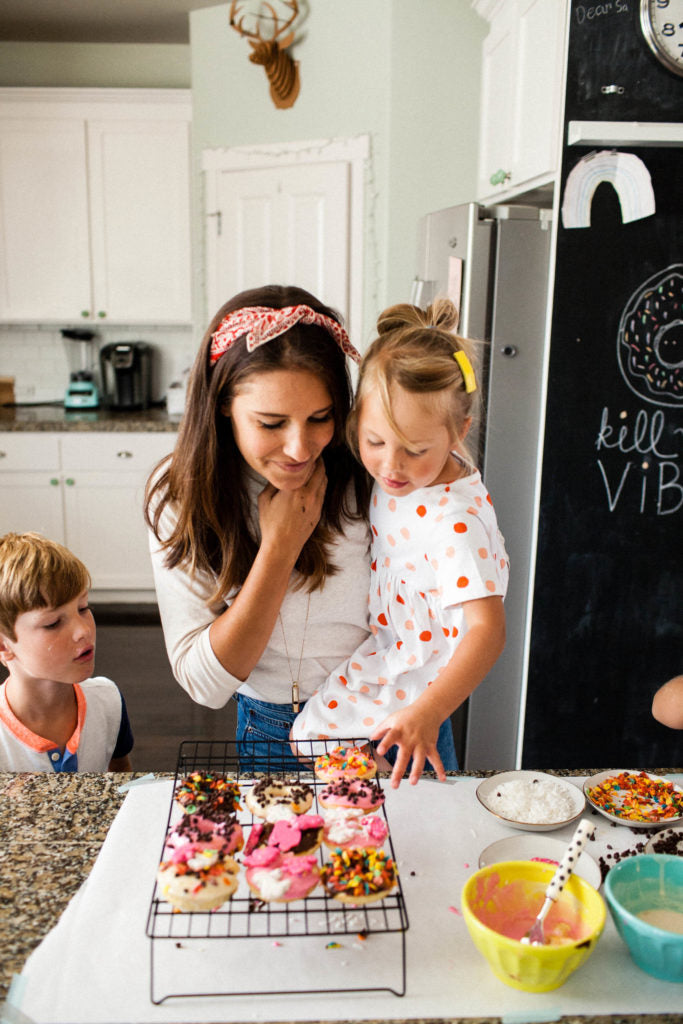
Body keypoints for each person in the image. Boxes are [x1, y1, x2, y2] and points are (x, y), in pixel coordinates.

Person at [144, 285, 374, 769]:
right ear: (224, 404)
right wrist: (280, 547)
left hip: (393, 718)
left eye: (320, 417)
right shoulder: (182, 495)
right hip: (276, 731)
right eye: (271, 423)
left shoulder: (372, 470)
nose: (299, 448)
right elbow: (204, 685)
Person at [291, 298, 509, 786]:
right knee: (315, 740)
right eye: (374, 441)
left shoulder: (454, 520)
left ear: (460, 432)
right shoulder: (402, 477)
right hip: (393, 643)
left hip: (419, 662)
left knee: (313, 737)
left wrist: (429, 711)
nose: (391, 466)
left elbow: (488, 631)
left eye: (414, 450)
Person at [0, 532, 133, 772]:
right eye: (53, 623)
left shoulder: (108, 701)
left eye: (83, 608)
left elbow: (121, 783)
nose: (83, 630)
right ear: (3, 645)